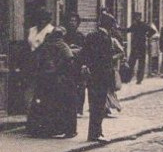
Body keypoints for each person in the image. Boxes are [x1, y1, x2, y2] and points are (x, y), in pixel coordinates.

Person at [25, 27, 77, 138]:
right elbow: (69, 60)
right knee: (64, 104)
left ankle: (44, 129)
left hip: (46, 79)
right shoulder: (63, 46)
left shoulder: (45, 46)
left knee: (46, 104)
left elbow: (38, 61)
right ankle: (66, 130)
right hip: (60, 79)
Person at [82, 11, 118, 142]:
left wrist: (87, 67)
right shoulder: (106, 38)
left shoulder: (90, 36)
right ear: (108, 26)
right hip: (102, 77)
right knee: (99, 106)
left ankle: (95, 133)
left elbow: (84, 54)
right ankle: (95, 134)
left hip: (92, 77)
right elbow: (106, 61)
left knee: (93, 106)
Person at [125, 12, 157, 84]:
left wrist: (147, 36)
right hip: (140, 46)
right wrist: (147, 36)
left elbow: (153, 31)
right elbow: (128, 30)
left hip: (138, 46)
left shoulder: (140, 24)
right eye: (135, 17)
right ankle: (132, 79)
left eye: (137, 17)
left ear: (139, 17)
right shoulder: (139, 25)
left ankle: (135, 79)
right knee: (135, 63)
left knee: (134, 62)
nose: (136, 18)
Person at [64, 12, 86, 116]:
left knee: (80, 86)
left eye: (74, 21)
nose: (72, 23)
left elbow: (84, 50)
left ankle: (79, 109)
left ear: (78, 23)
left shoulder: (80, 36)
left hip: (78, 64)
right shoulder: (64, 36)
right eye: (70, 21)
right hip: (67, 64)